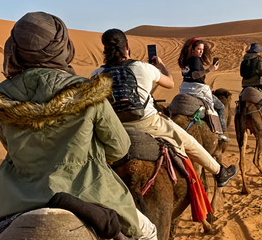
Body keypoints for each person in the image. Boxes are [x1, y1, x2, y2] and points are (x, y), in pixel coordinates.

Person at [0, 12, 183, 240]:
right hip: (89, 191)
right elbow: (119, 147)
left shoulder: (3, 96)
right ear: (62, 47)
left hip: (17, 195)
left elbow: (8, 146)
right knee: (148, 234)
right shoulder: (88, 91)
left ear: (15, 49)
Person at [92, 29, 237, 187]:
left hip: (114, 128)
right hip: (148, 122)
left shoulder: (96, 74)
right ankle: (220, 172)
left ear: (105, 49)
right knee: (189, 141)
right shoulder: (142, 67)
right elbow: (170, 83)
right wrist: (160, 65)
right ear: (127, 46)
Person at [178, 37, 228, 142]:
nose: (201, 52)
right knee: (220, 106)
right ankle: (221, 133)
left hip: (185, 89)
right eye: (199, 49)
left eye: (202, 49)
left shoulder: (184, 60)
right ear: (192, 49)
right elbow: (195, 75)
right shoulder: (195, 59)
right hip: (197, 90)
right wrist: (209, 69)